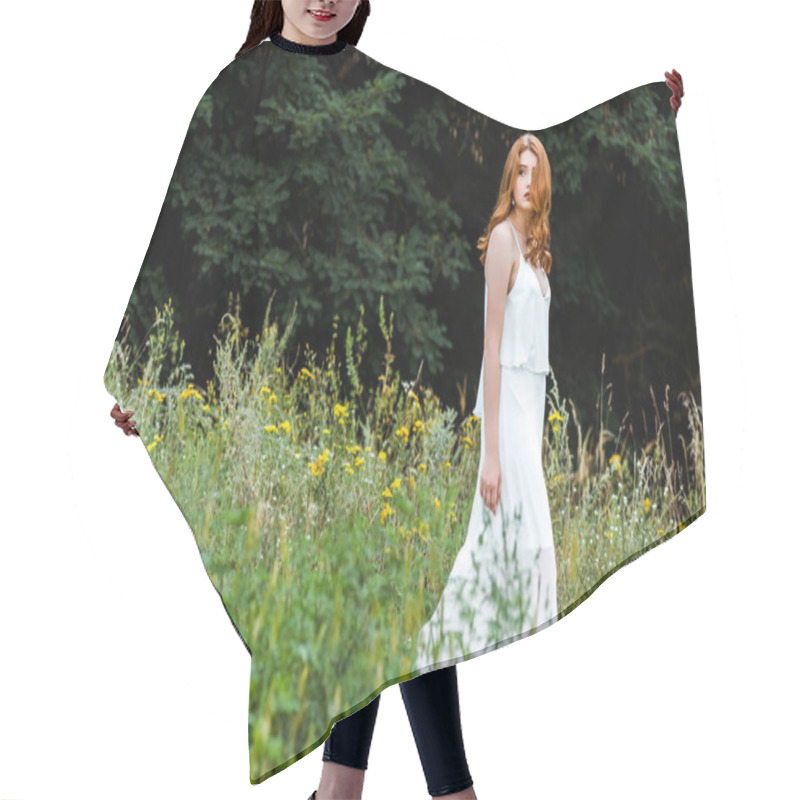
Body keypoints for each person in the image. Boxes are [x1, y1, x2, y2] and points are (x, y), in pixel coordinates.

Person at [112, 2, 478, 799]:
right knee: (368, 587)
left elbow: (496, 178)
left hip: (379, 395)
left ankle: (350, 790)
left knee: (397, 580)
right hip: (286, 396)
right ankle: (418, 792)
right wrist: (154, 374)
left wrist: (640, 118)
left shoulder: (382, 92)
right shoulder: (238, 91)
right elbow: (193, 245)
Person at [413, 134, 559, 668]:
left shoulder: (538, 254)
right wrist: (490, 453)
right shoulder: (501, 241)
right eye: (518, 172)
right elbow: (492, 346)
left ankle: (476, 652)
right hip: (506, 417)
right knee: (534, 545)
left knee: (508, 543)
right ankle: (445, 650)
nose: (525, 182)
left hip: (530, 411)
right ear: (509, 180)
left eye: (533, 173)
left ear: (542, 184)